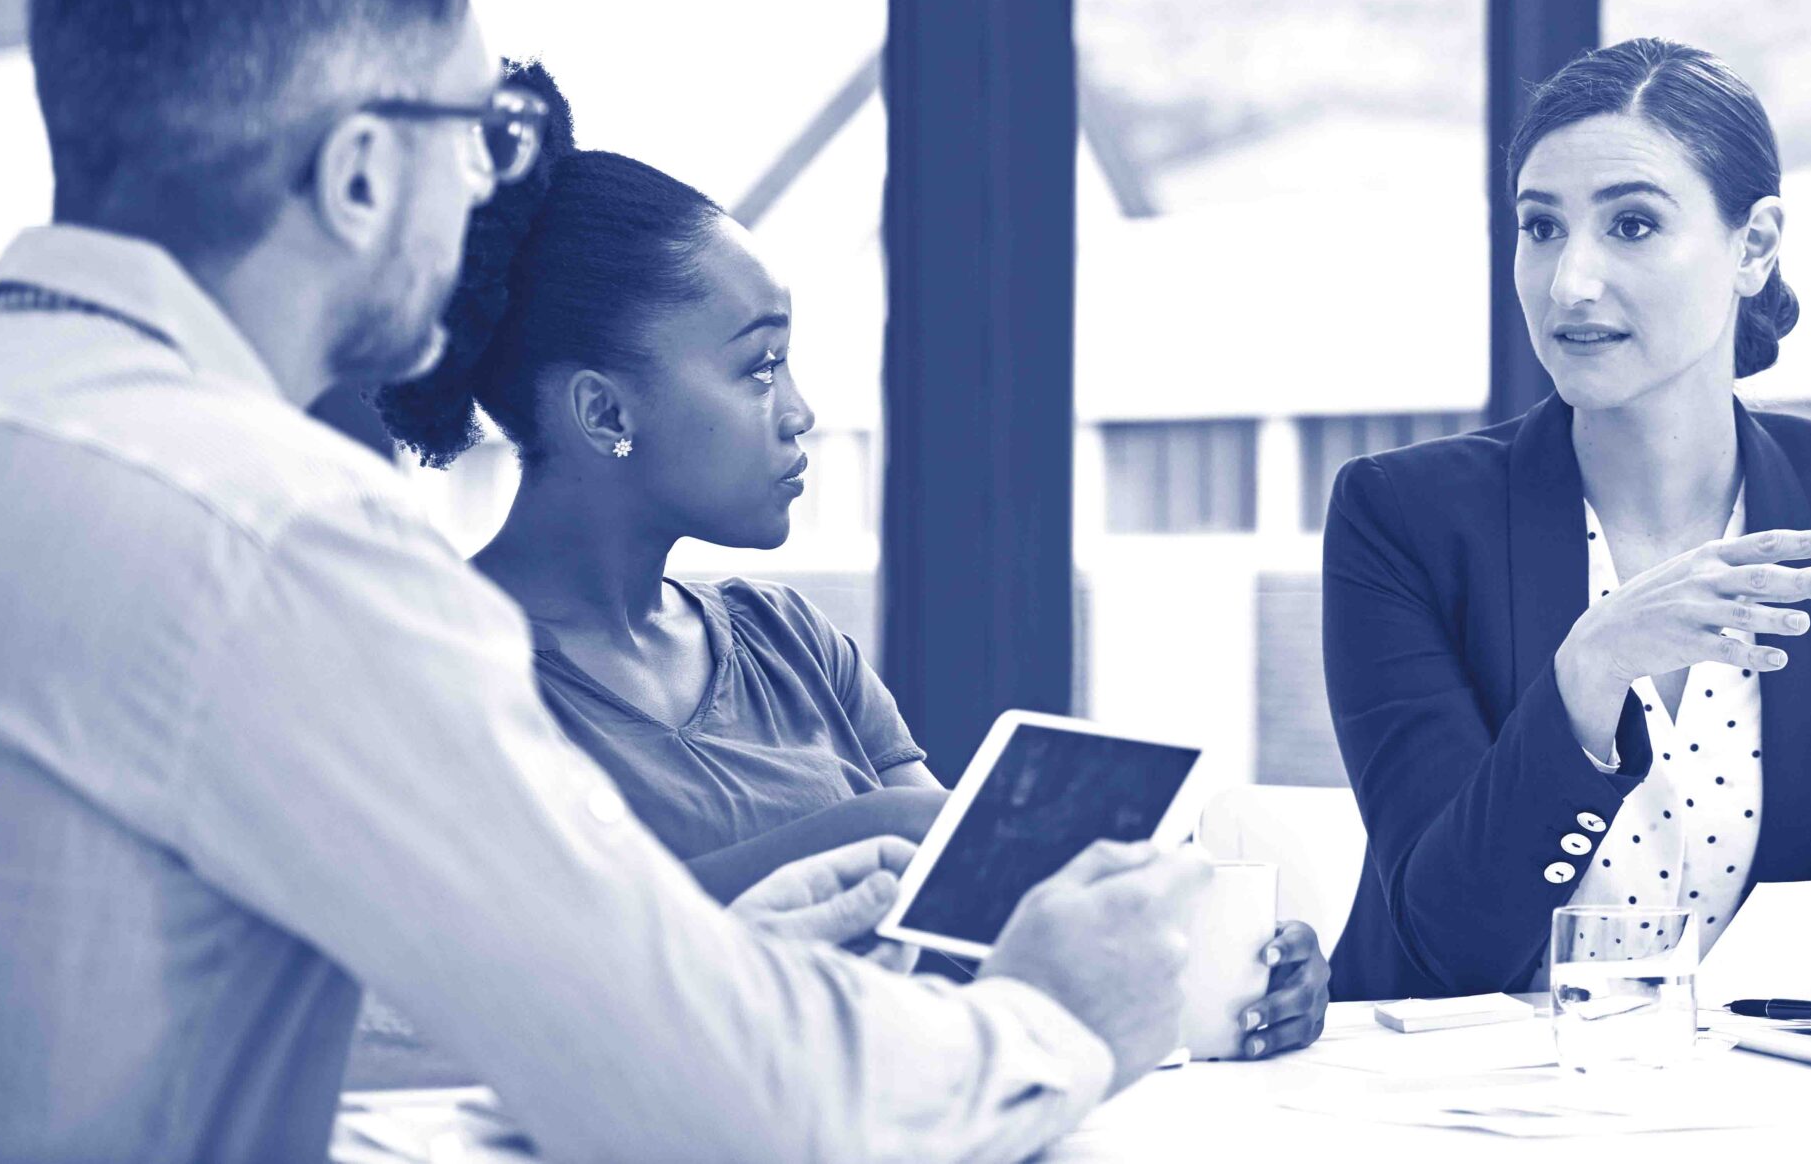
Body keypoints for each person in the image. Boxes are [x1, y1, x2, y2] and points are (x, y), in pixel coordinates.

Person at [0, 0, 1210, 1164]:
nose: (486, 196)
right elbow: (737, 1111)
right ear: (363, 172)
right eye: (478, 138)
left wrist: (699, 965)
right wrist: (1054, 1018)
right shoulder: (281, 538)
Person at [372, 58, 1331, 1059]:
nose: (800, 412)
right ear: (606, 410)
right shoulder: (448, 671)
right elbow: (521, 967)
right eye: (759, 366)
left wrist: (1217, 964)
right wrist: (869, 830)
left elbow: (971, 930)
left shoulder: (790, 641)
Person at [1322, 39, 1811, 999]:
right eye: (1540, 227)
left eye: (1632, 225)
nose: (1568, 283)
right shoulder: (1402, 518)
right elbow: (1448, 941)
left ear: (1754, 246)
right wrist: (1587, 676)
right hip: (1457, 1114)